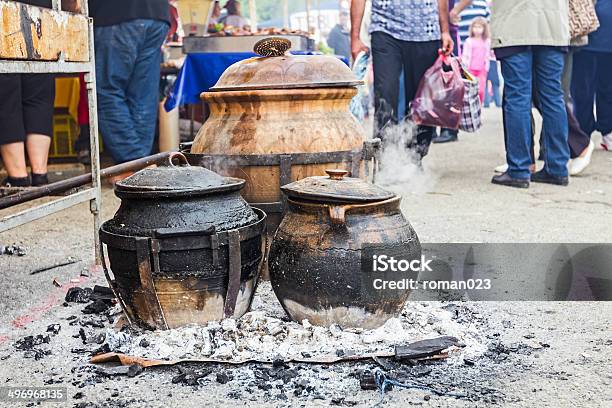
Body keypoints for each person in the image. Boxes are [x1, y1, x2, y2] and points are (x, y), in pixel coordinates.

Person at [350, 0, 453, 161]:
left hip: (425, 31)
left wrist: (445, 31)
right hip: (385, 29)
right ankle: (384, 159)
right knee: (385, 94)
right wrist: (355, 37)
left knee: (421, 102)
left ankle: (415, 157)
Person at [490, 0, 570, 188]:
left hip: (514, 25)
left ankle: (519, 169)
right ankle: (557, 168)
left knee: (518, 97)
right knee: (553, 97)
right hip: (553, 26)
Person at [90, 0, 170, 165]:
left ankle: (132, 161)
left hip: (117, 13)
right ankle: (141, 164)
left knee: (107, 90)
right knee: (143, 96)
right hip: (157, 14)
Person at [0, 0, 55, 188]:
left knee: (6, 93)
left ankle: (18, 178)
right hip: (39, 15)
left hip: (3, 12)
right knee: (39, 91)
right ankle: (40, 175)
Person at [571, 0, 612, 152]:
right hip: (584, 35)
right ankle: (583, 134)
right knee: (582, 92)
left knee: (607, 88)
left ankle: (607, 130)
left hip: (605, 37)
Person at [461, 17, 490, 103]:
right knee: (470, 90)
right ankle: (470, 105)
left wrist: (486, 66)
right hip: (470, 70)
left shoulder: (487, 42)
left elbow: (489, 55)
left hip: (482, 70)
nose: (477, 30)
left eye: (480, 27)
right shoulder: (469, 41)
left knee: (481, 90)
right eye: (475, 27)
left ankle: (479, 106)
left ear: (484, 29)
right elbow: (465, 56)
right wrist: (464, 68)